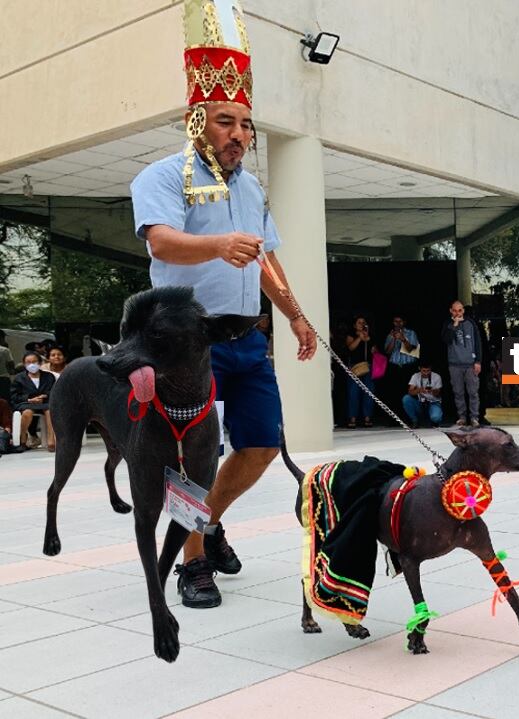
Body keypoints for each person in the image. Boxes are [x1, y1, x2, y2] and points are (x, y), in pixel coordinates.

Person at [129, 0, 315, 609]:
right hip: (186, 343)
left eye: (245, 123)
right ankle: (192, 565)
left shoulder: (253, 186)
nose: (239, 133)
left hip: (248, 339)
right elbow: (160, 240)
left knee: (261, 445)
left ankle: (203, 523)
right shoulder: (161, 176)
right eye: (225, 121)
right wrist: (217, 243)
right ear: (196, 121)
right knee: (193, 455)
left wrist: (294, 313)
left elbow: (265, 257)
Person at [441, 300, 482, 426]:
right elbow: (446, 340)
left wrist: (478, 361)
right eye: (454, 310)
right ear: (450, 311)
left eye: (460, 310)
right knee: (458, 392)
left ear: (463, 310)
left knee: (473, 392)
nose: (457, 313)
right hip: (454, 364)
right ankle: (462, 417)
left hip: (470, 363)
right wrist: (455, 324)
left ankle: (474, 417)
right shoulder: (448, 323)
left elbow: (477, 343)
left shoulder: (471, 323)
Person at [11, 352, 56, 451]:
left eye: (34, 362)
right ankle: (23, 437)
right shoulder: (19, 378)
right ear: (24, 364)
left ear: (40, 363)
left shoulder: (49, 376)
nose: (31, 364)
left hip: (45, 402)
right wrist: (29, 399)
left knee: (50, 410)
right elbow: (14, 396)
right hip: (26, 403)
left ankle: (51, 440)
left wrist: (44, 396)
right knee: (27, 412)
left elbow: (54, 391)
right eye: (28, 362)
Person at [345, 315, 376, 428]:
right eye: (359, 322)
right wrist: (359, 338)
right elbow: (351, 347)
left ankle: (367, 417)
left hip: (368, 366)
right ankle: (352, 418)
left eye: (363, 322)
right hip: (355, 367)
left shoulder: (370, 336)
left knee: (368, 392)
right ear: (354, 325)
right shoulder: (351, 335)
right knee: (353, 393)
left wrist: (369, 341)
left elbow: (374, 350)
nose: (362, 324)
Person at [402, 360, 444, 428]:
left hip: (433, 402)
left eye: (428, 371)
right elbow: (410, 392)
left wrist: (432, 391)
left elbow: (438, 394)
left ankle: (433, 421)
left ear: (431, 369)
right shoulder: (415, 376)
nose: (426, 373)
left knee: (436, 418)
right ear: (419, 369)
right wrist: (418, 390)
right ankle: (414, 420)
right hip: (421, 403)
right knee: (406, 398)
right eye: (424, 371)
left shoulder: (436, 376)